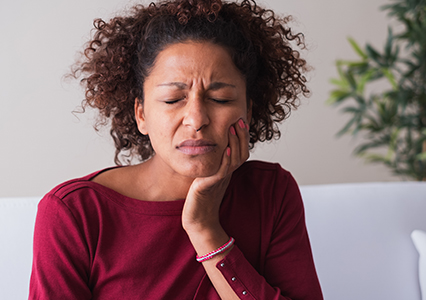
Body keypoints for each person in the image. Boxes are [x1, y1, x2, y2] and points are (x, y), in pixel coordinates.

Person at [29, 0, 323, 299]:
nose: (196, 120)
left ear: (247, 110)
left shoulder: (269, 192)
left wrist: (205, 229)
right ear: (141, 114)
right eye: (172, 99)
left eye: (220, 99)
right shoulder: (75, 214)